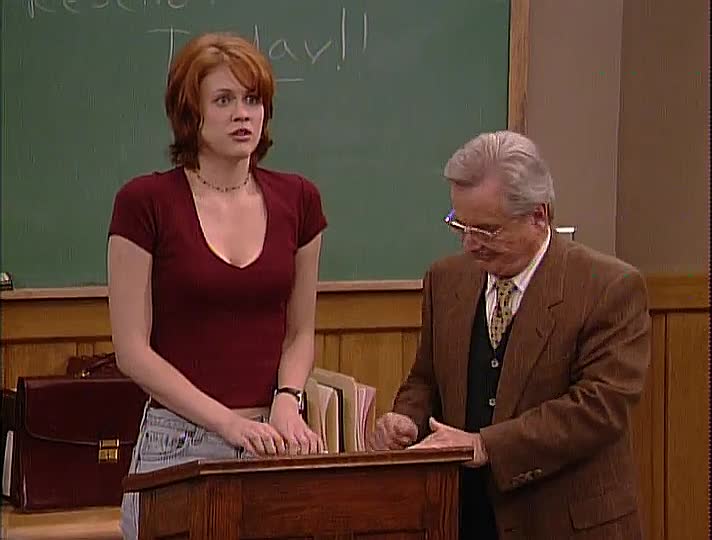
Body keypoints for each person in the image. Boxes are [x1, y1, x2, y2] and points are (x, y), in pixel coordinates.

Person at [368, 131, 650, 539]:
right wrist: (406, 418)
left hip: (564, 522)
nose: (470, 244)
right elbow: (426, 378)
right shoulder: (445, 280)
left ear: (538, 216)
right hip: (464, 517)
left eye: (487, 230)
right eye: (459, 225)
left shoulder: (608, 287)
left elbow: (599, 407)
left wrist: (485, 445)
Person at [107, 33, 327, 539]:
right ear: (192, 114)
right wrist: (227, 424)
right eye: (224, 100)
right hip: (179, 443)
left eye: (252, 100)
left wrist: (287, 400)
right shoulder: (145, 202)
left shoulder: (299, 199)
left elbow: (300, 332)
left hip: (273, 438)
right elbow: (132, 351)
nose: (242, 115)